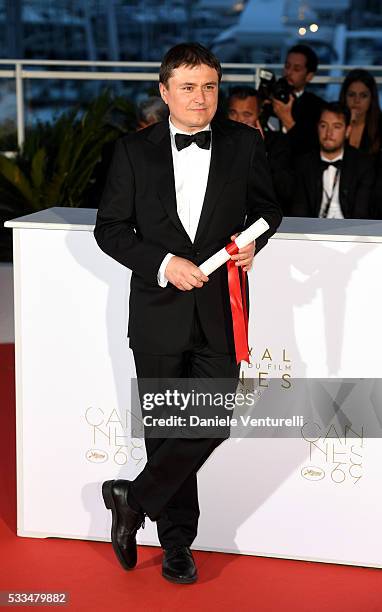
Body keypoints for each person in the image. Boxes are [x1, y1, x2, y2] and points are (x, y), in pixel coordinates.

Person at [93, 42, 282, 584]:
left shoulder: (245, 144)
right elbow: (110, 229)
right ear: (164, 91)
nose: (201, 98)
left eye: (209, 87)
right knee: (166, 432)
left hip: (222, 314)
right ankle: (178, 546)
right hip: (157, 314)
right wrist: (162, 263)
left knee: (210, 420)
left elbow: (268, 210)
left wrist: (252, 244)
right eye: (188, 87)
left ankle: (132, 498)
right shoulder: (134, 152)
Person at [291, 102, 375, 219]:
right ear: (317, 127)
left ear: (347, 131)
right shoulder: (303, 163)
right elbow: (299, 212)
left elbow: (362, 213)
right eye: (324, 126)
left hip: (352, 232)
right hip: (312, 232)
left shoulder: (363, 164)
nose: (329, 133)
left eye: (336, 127)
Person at [228, 85, 294, 214]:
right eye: (233, 113)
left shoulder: (278, 143)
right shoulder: (216, 141)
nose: (239, 121)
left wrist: (260, 152)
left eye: (247, 114)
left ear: (259, 113)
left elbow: (285, 191)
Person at [271, 44, 324, 155]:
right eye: (287, 66)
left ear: (309, 76)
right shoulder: (269, 97)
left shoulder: (317, 108)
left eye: (297, 69)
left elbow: (311, 149)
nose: (289, 73)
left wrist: (287, 119)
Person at [339, 68, 382, 156]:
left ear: (372, 98)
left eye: (363, 96)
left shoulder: (380, 125)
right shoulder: (332, 124)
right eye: (351, 95)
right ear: (344, 97)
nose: (357, 100)